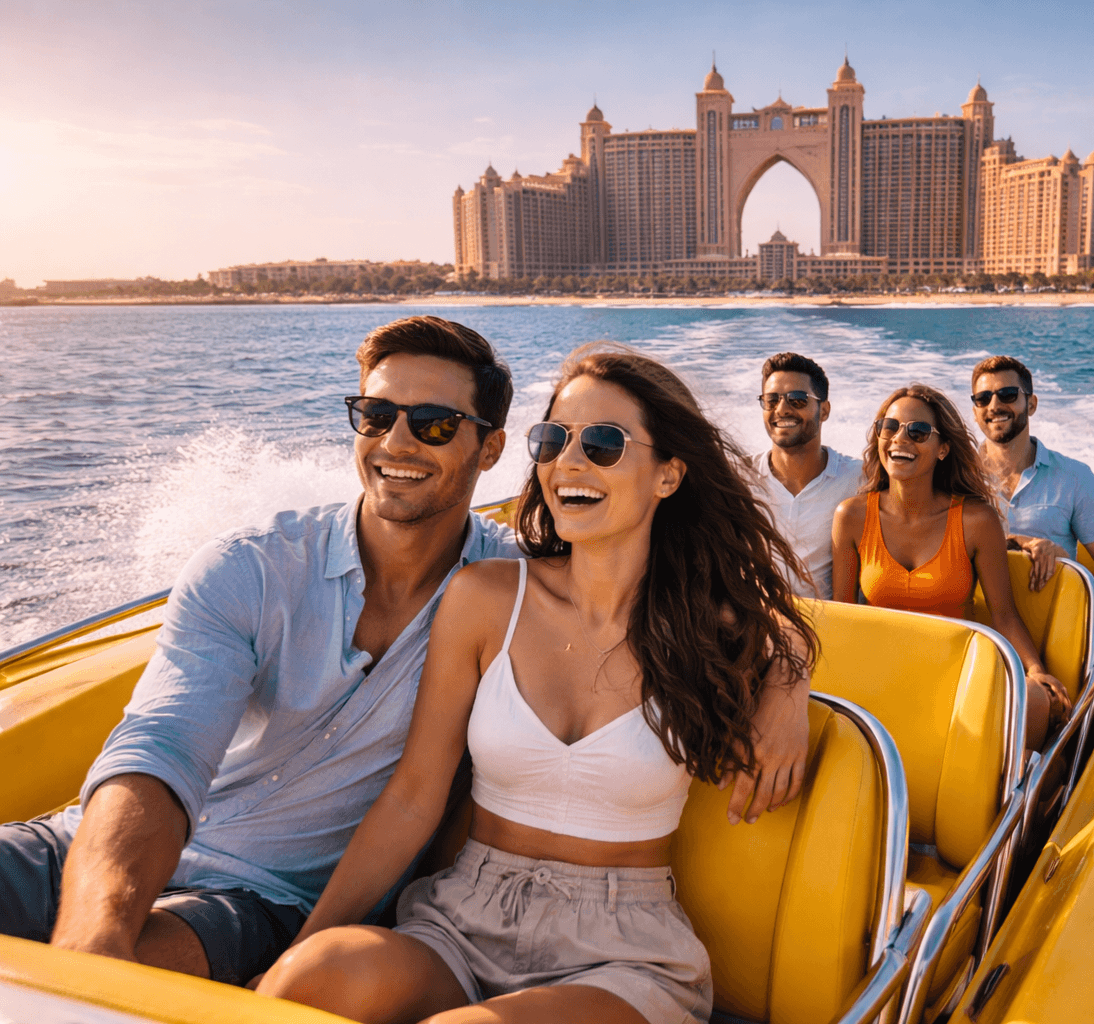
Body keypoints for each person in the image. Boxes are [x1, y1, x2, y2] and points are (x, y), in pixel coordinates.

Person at [0, 317, 807, 988]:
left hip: (261, 900)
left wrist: (790, 676)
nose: (397, 442)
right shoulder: (250, 568)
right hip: (94, 846)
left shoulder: (512, 583)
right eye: (375, 416)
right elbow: (159, 750)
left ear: (487, 451)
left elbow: (719, 609)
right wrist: (93, 930)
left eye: (433, 425)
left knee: (140, 983)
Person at [255, 346, 817, 1024]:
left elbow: (784, 632)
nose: (567, 464)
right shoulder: (486, 597)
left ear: (668, 475)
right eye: (553, 440)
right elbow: (412, 798)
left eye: (603, 444)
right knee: (304, 985)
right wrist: (303, 942)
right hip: (461, 918)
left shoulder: (707, 624)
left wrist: (789, 691)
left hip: (622, 952)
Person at [829, 384, 1069, 752]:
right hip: (881, 673)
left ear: (943, 449)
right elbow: (842, 616)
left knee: (1034, 703)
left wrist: (1035, 671)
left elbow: (1004, 615)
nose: (900, 439)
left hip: (960, 676)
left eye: (918, 431)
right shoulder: (851, 516)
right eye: (889, 427)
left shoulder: (977, 521)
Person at [969, 355, 1094, 657]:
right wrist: (1017, 542)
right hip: (976, 622)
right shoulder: (958, 477)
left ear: (1031, 404)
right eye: (983, 398)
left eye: (1007, 395)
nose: (993, 406)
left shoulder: (1074, 477)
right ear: (975, 411)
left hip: (1054, 621)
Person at [748, 352, 863, 599]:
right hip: (757, 627)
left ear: (824, 411)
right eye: (771, 400)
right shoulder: (738, 479)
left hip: (829, 630)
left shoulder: (859, 479)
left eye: (797, 399)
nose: (781, 409)